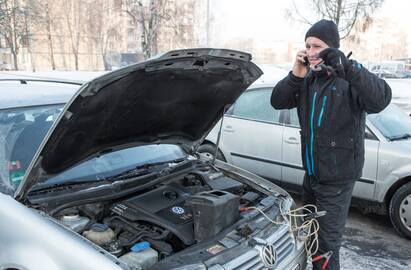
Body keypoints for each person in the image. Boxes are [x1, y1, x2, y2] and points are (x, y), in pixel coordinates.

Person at [271, 19, 391, 270]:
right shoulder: (308, 80)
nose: (311, 52)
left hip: (337, 179)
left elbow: (381, 99)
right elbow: (277, 101)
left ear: (332, 49)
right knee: (310, 236)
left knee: (326, 247)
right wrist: (295, 73)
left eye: (317, 46)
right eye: (307, 45)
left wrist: (348, 67)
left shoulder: (348, 79)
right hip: (312, 175)